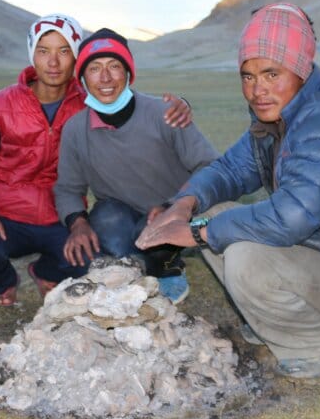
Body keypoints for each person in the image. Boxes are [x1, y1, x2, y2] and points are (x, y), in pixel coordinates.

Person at [137, 3, 320, 379]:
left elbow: (292, 217)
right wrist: (182, 206)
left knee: (245, 257)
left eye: (271, 73)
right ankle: (277, 318)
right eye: (248, 76)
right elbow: (230, 169)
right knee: (213, 212)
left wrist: (195, 232)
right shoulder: (280, 113)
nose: (257, 90)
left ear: (301, 69)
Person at [0, 15, 193, 305]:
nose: (53, 62)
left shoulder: (90, 102)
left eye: (64, 51)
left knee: (91, 262)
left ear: (76, 57)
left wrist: (179, 104)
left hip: (61, 217)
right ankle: (4, 283)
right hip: (7, 216)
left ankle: (44, 271)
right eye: (44, 51)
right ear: (32, 54)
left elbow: (129, 102)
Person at [54, 28, 218, 303]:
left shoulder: (165, 114)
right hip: (122, 214)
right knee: (104, 224)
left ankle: (168, 267)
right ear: (82, 78)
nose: (105, 78)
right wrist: (77, 223)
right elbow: (67, 188)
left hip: (175, 209)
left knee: (157, 238)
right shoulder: (74, 130)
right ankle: (132, 263)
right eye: (94, 68)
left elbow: (209, 165)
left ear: (129, 73)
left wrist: (174, 206)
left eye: (114, 66)